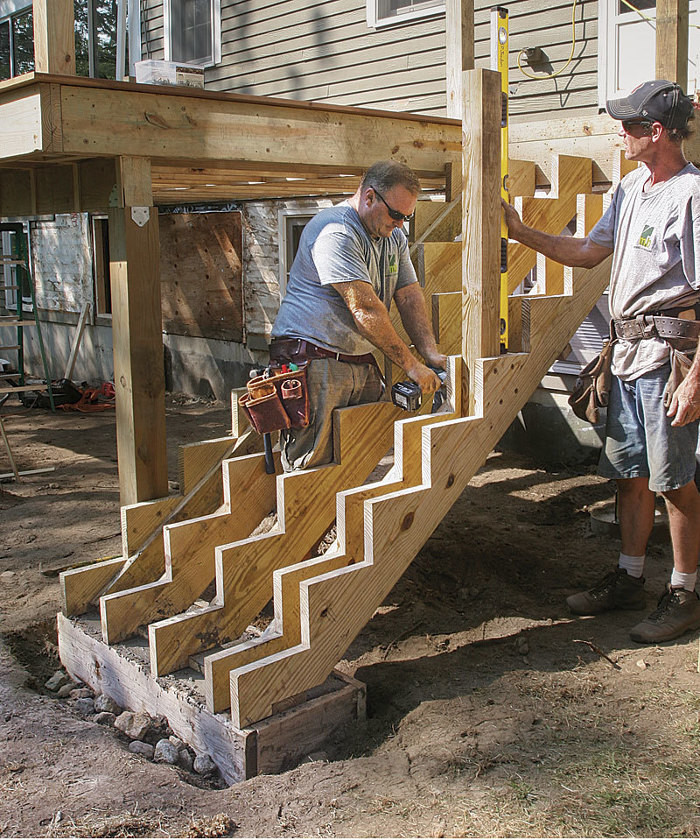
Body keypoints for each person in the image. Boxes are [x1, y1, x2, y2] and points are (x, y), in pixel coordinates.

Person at [502, 79, 700, 644]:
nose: (620, 134)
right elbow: (589, 252)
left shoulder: (693, 195)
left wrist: (695, 384)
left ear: (655, 131)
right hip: (628, 355)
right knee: (628, 474)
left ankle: (685, 593)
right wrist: (523, 233)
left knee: (675, 481)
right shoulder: (633, 188)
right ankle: (629, 579)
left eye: (629, 125)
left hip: (670, 357)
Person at [270, 160, 447, 471]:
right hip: (313, 357)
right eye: (396, 214)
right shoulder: (335, 232)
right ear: (369, 197)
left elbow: (408, 294)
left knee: (361, 453)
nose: (401, 223)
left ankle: (342, 520)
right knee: (313, 461)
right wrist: (410, 365)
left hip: (356, 357)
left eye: (407, 216)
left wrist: (429, 351)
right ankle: (302, 519)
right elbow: (364, 308)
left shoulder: (393, 238)